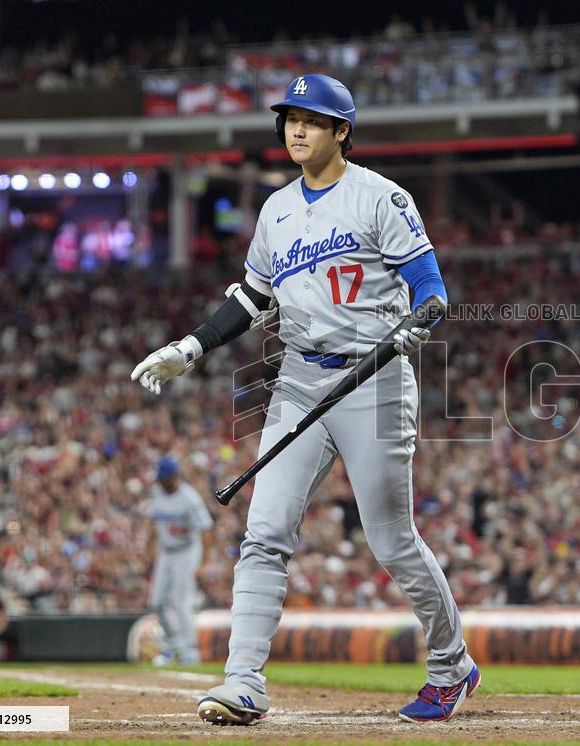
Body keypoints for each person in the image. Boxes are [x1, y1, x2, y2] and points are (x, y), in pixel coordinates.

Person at [132, 74, 478, 726]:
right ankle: (243, 684)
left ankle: (451, 664)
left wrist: (418, 320)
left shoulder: (382, 197)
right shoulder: (277, 209)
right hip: (298, 378)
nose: (296, 130)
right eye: (290, 119)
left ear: (341, 130)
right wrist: (191, 346)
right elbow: (251, 299)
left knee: (391, 540)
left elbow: (432, 289)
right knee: (263, 532)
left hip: (373, 380)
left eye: (312, 121)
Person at [146, 455, 213, 666]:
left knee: (182, 602)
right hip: (166, 551)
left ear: (174, 477)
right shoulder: (157, 493)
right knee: (156, 602)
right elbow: (153, 522)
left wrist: (203, 563)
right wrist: (147, 548)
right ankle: (173, 647)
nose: (161, 482)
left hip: (187, 550)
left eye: (164, 478)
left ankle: (190, 654)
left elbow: (206, 530)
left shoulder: (190, 498)